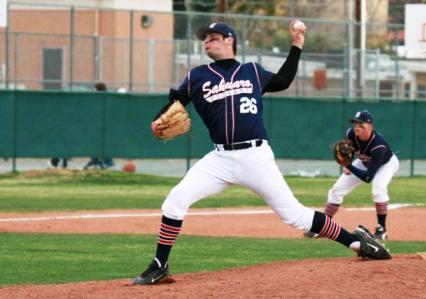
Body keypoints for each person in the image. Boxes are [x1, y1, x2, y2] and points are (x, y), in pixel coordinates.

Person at [132, 21, 391, 286]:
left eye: (213, 37)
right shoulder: (197, 76)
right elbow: (174, 105)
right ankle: (160, 266)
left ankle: (358, 243)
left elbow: (283, 80)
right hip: (219, 159)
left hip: (256, 157)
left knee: (296, 217)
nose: (207, 41)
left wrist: (297, 44)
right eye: (205, 39)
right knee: (175, 200)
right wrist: (158, 119)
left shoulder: (252, 71)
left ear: (230, 40)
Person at [306, 110, 399, 240]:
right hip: (364, 162)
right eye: (356, 124)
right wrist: (347, 162)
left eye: (361, 125)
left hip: (386, 164)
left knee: (378, 189)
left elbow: (368, 177)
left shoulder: (379, 146)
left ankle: (382, 229)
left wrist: (349, 166)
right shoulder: (350, 134)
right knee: (336, 190)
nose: (357, 127)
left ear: (370, 127)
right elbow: (348, 151)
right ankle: (323, 226)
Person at [83, 82, 114, 170]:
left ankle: (106, 162)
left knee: (105, 143)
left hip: (105, 125)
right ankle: (95, 162)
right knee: (97, 143)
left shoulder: (105, 97)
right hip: (99, 125)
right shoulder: (97, 98)